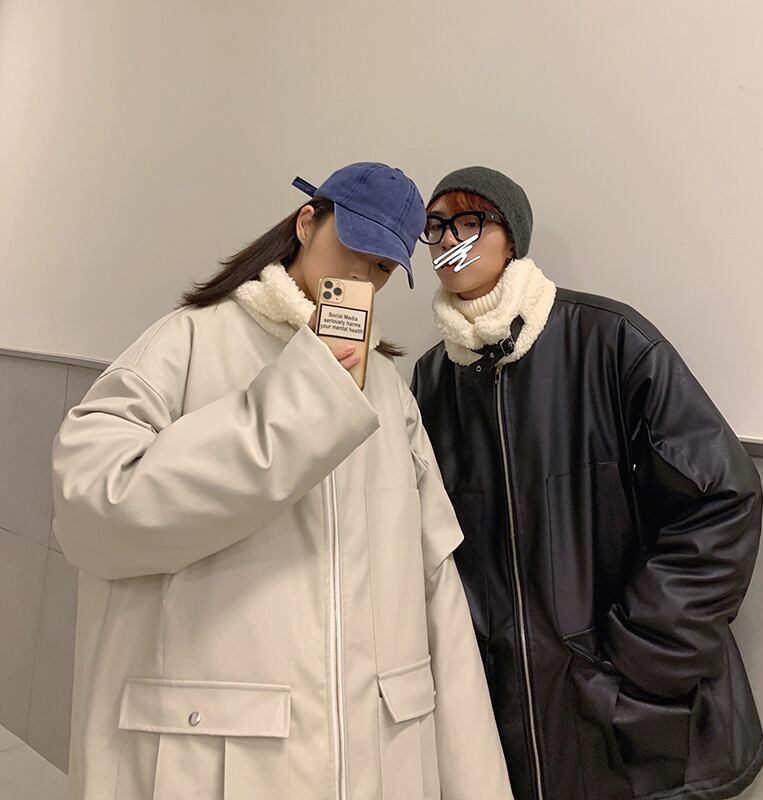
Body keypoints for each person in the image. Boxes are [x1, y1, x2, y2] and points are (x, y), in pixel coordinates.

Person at [51, 161, 514, 800]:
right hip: (224, 765)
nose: (363, 275)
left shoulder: (388, 392)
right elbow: (91, 512)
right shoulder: (189, 340)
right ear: (306, 223)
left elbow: (434, 581)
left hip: (377, 764)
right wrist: (300, 404)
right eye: (354, 247)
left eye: (383, 266)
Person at [410, 165, 763, 800]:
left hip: (630, 711)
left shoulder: (609, 338)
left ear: (511, 237)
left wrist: (643, 653)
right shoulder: (433, 379)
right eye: (436, 227)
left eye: (470, 221)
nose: (449, 241)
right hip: (506, 719)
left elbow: (721, 497)